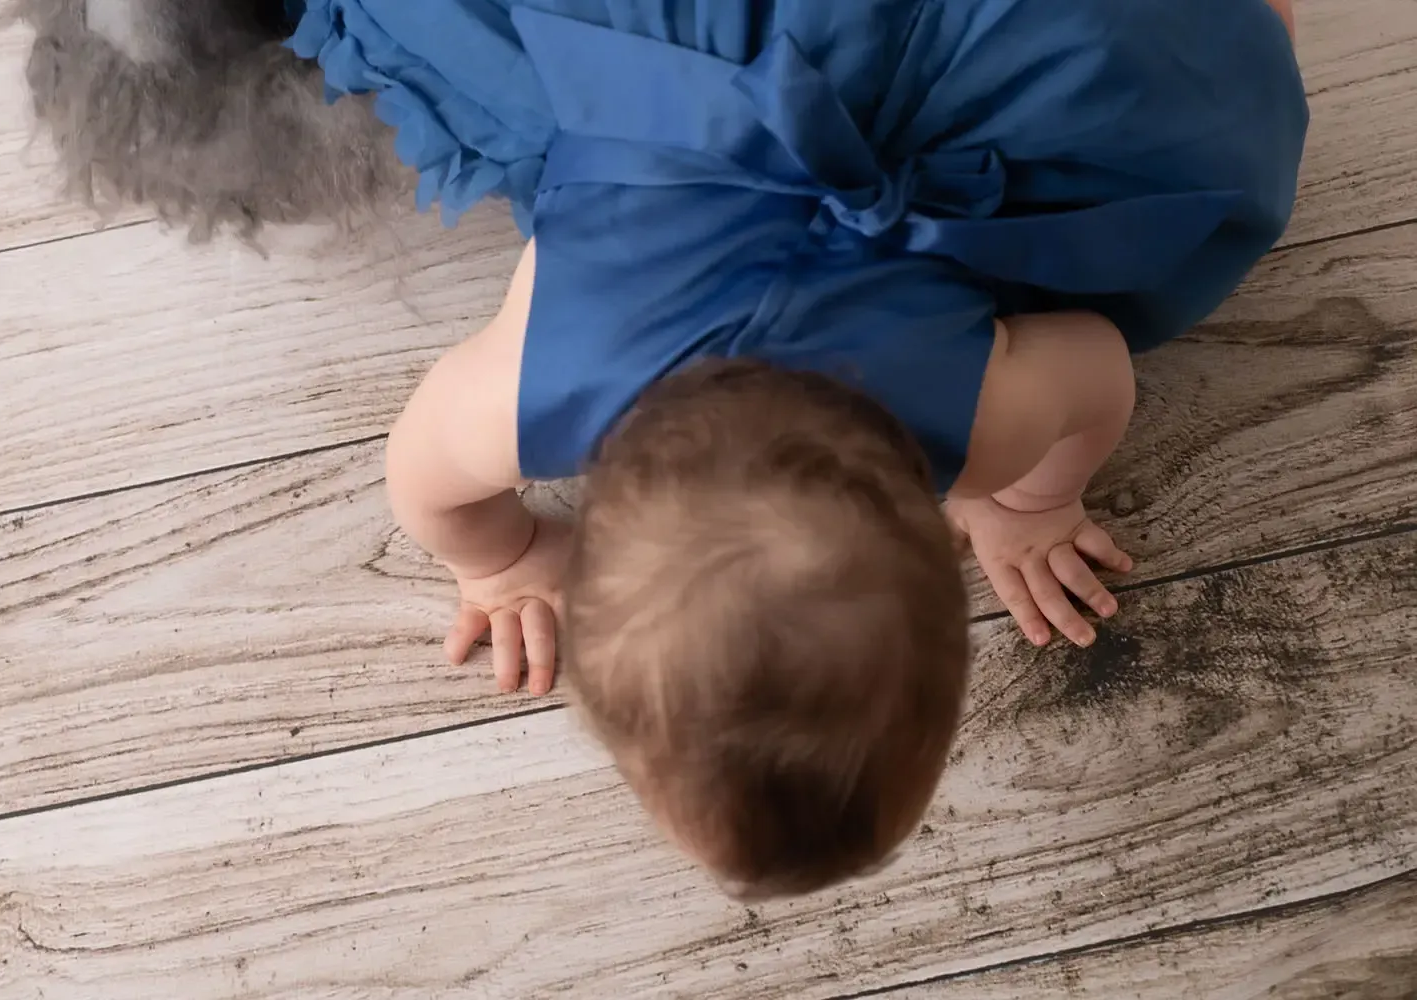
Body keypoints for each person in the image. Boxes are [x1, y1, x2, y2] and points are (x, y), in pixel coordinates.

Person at [290, 0, 1307, 896]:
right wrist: (496, 555)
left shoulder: (980, 421)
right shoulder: (538, 393)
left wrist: (1031, 501)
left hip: (962, 60)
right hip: (694, 61)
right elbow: (422, 475)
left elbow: (1097, 369)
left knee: (1194, 54)